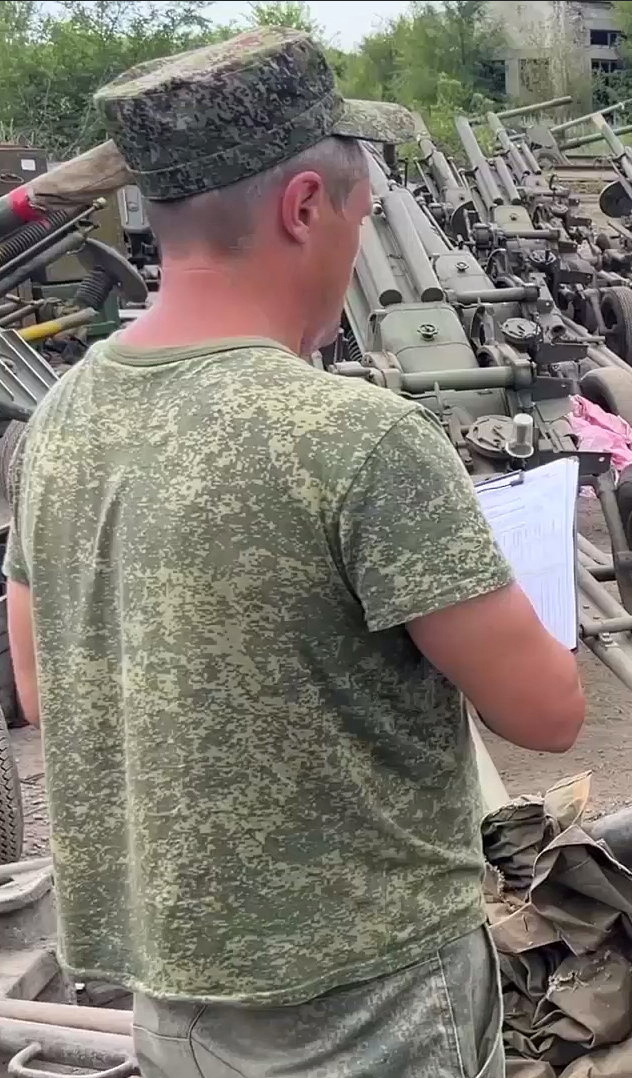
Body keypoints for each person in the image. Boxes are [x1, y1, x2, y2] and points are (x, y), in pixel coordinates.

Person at [2, 27, 586, 1077]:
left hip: (173, 1002)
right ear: (305, 206)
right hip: (374, 1009)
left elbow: (47, 690)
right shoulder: (355, 439)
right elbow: (547, 712)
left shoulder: (63, 415)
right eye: (359, 218)